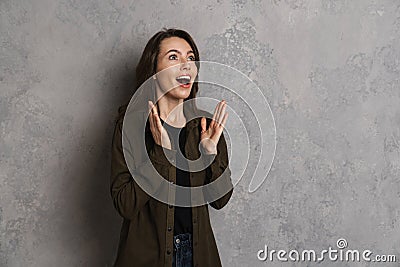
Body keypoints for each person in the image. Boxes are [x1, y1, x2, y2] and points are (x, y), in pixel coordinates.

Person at [110, 28, 234, 267]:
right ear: (154, 71)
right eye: (174, 57)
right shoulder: (130, 127)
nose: (185, 65)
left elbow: (220, 200)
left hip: (198, 257)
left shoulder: (205, 126)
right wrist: (160, 154)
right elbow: (125, 204)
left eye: (190, 58)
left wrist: (210, 154)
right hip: (148, 258)